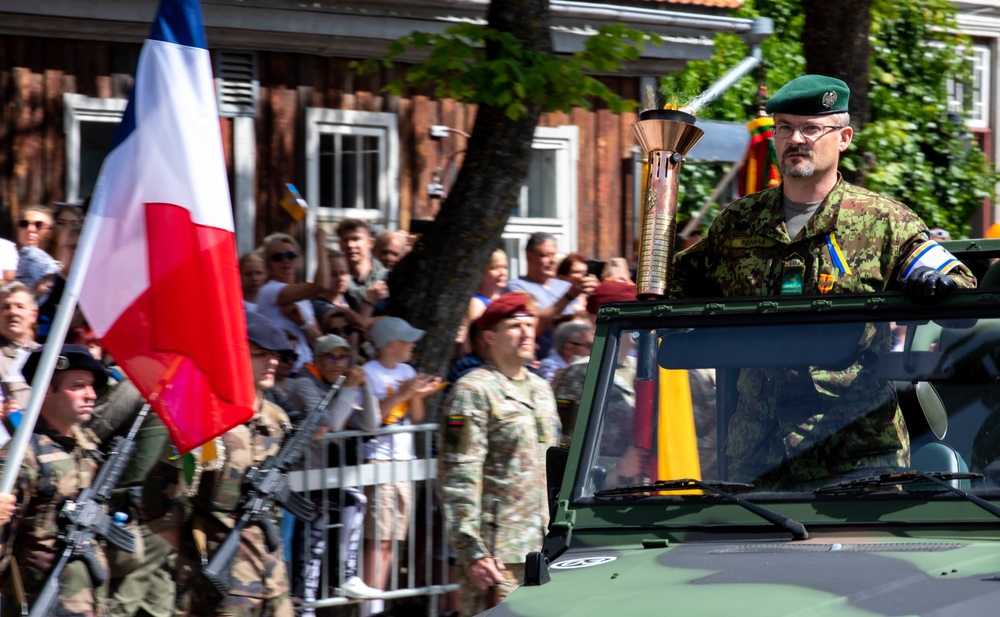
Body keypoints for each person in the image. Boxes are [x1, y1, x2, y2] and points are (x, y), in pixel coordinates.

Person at [669, 75, 977, 488]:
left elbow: (960, 284)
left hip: (856, 452)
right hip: (758, 455)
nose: (796, 139)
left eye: (811, 128)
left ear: (843, 137)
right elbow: (672, 286)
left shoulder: (881, 221)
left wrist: (934, 284)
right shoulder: (738, 222)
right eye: (784, 127)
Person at [438, 292, 560, 617]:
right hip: (499, 553)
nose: (526, 332)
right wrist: (472, 550)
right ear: (490, 337)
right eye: (515, 326)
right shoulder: (472, 391)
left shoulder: (542, 390)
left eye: (529, 324)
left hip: (546, 544)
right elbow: (458, 475)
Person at [174, 311, 297, 616]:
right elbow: (166, 499)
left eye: (276, 356)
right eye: (260, 354)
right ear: (237, 357)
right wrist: (194, 555)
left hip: (272, 574)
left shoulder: (277, 420)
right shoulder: (205, 420)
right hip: (224, 577)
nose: (272, 362)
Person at [0, 344, 110, 616]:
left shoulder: (87, 448)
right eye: (79, 386)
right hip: (44, 601)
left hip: (92, 602)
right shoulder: (20, 456)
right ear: (47, 390)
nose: (91, 395)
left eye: (92, 386)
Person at [287, 335, 381, 606]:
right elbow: (333, 423)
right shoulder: (303, 383)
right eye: (331, 357)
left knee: (350, 506)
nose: (338, 363)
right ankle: (305, 604)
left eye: (343, 357)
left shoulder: (341, 386)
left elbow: (370, 424)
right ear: (316, 359)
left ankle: (344, 577)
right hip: (302, 477)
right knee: (310, 546)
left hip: (324, 477)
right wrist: (349, 388)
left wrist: (365, 387)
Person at [360, 317, 441, 616]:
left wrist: (417, 396)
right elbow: (372, 418)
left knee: (392, 540)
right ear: (391, 344)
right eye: (407, 341)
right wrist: (405, 392)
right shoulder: (368, 373)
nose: (412, 346)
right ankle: (370, 608)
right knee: (377, 539)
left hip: (404, 463)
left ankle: (377, 604)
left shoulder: (407, 371)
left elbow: (416, 419)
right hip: (380, 462)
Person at [507, 232, 597, 360]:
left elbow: (586, 320)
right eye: (545, 255)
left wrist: (596, 294)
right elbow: (536, 324)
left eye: (553, 255)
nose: (552, 261)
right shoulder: (516, 287)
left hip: (576, 358)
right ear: (529, 256)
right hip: (543, 361)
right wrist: (568, 297)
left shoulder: (564, 286)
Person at [255, 228, 330, 373]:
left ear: (298, 260)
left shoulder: (302, 299)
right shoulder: (269, 291)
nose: (286, 261)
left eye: (291, 255)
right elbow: (321, 285)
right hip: (282, 373)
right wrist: (320, 244)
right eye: (278, 257)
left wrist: (303, 322)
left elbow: (319, 342)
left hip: (306, 369)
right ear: (268, 263)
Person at [456, 248, 508, 354]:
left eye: (505, 267)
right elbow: (479, 342)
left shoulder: (504, 300)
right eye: (495, 268)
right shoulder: (476, 304)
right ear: (482, 273)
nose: (502, 272)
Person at [336, 219, 388, 312]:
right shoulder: (334, 281)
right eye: (345, 240)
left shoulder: (386, 278)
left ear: (370, 243)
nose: (350, 245)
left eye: (356, 239)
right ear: (340, 245)